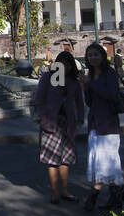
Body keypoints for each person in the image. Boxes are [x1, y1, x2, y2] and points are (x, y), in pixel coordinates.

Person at [33, 50, 85, 205]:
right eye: (62, 63)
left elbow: (79, 103)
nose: (65, 66)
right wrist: (43, 119)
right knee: (52, 159)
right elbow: (39, 100)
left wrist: (80, 121)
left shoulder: (73, 82)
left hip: (68, 123)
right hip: (51, 122)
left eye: (68, 63)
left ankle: (65, 190)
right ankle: (55, 191)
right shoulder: (48, 77)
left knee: (65, 159)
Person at [82, 42, 124, 211]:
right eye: (90, 55)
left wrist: (91, 85)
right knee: (101, 160)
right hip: (94, 123)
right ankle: (115, 196)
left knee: (105, 160)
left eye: (96, 54)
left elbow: (111, 94)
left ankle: (94, 195)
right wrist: (86, 87)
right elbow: (90, 102)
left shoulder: (110, 74)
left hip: (108, 124)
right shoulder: (91, 76)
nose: (93, 58)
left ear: (102, 56)